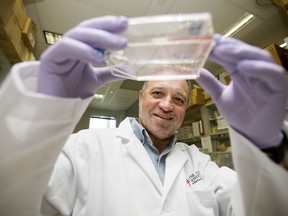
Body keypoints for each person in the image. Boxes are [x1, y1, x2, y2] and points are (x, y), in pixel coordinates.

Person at [0, 15, 287, 216]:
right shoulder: (83, 147)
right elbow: (12, 203)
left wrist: (266, 145)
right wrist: (40, 113)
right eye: (157, 93)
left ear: (185, 110)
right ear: (140, 98)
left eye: (178, 99)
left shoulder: (202, 165)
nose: (166, 105)